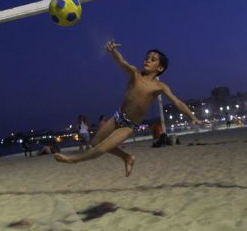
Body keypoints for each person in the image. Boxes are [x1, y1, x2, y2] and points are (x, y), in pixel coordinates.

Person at [54, 41, 201, 176]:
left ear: (160, 68)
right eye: (147, 57)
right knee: (94, 143)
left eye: (153, 59)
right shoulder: (135, 74)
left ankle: (72, 160)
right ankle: (127, 157)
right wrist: (113, 51)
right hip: (117, 117)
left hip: (129, 125)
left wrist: (193, 117)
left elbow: (178, 102)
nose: (147, 60)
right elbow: (121, 62)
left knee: (100, 149)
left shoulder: (160, 86)